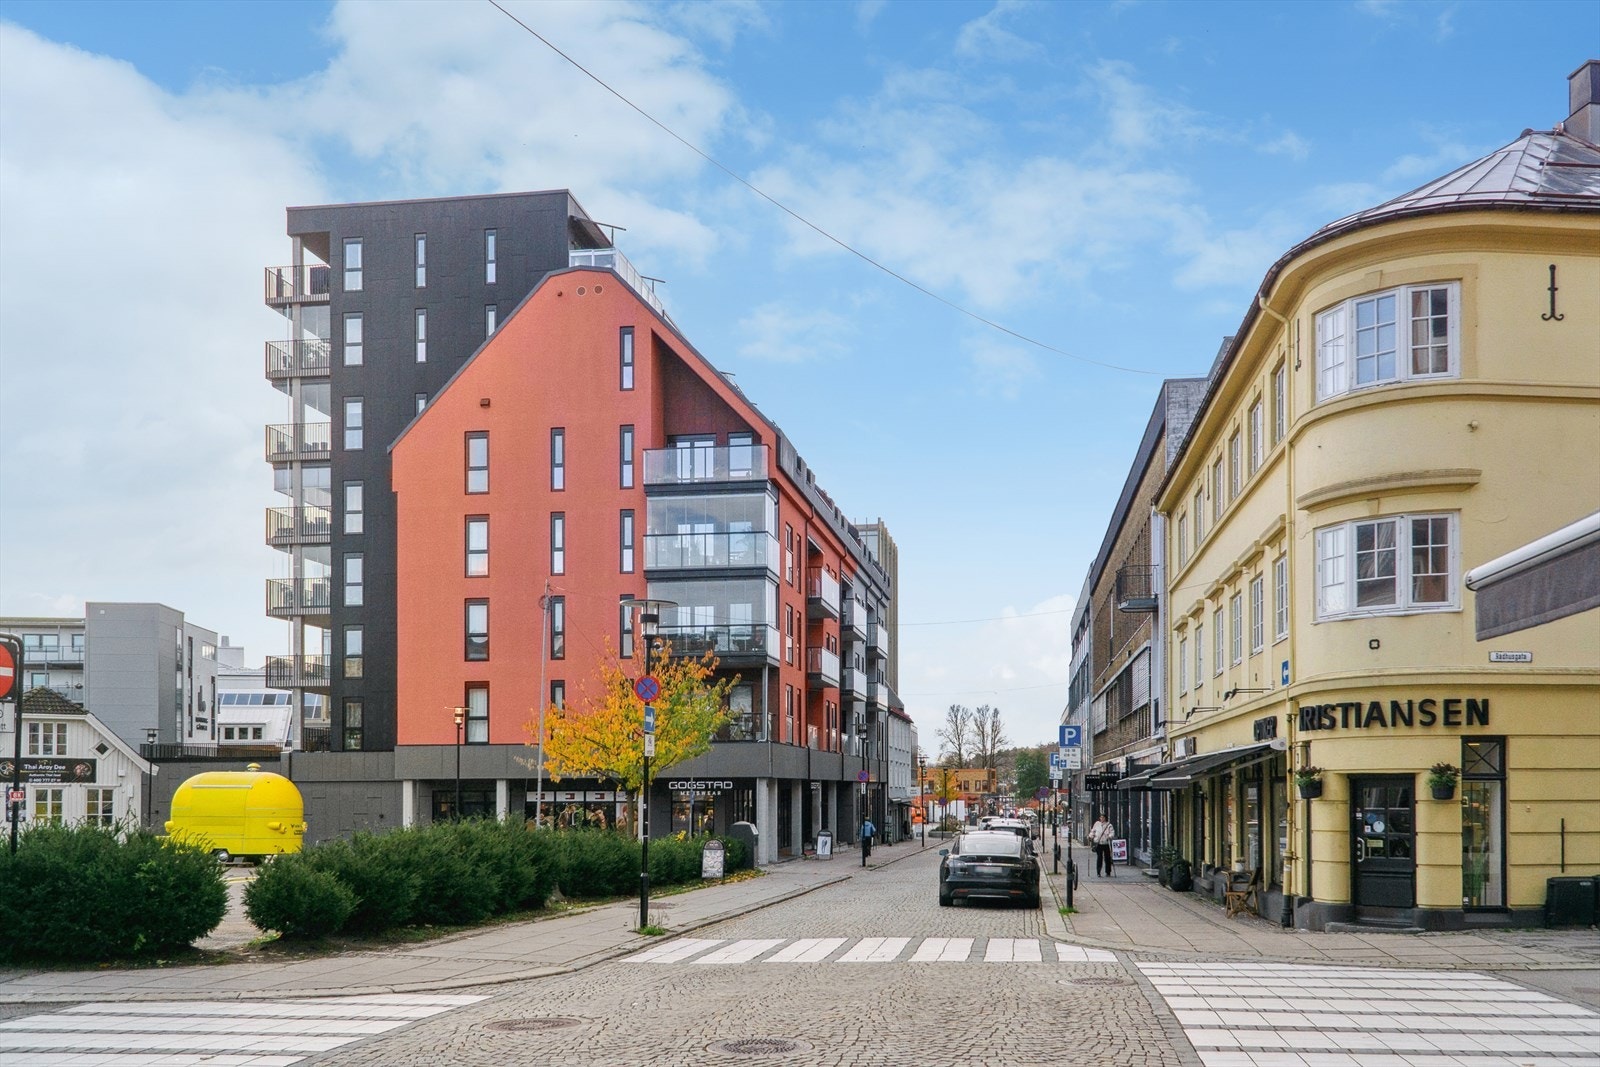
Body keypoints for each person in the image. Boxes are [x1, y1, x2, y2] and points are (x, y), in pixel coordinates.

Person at [1089, 811, 1116, 877]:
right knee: (1099, 858)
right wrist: (1091, 836)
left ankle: (1108, 872)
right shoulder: (1097, 824)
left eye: (1103, 817)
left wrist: (1109, 836)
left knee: (1107, 858)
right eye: (1101, 817)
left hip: (1106, 843)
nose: (1102, 819)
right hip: (1099, 843)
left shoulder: (1109, 825)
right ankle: (1098, 872)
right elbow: (1093, 831)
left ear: (1105, 818)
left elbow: (1112, 833)